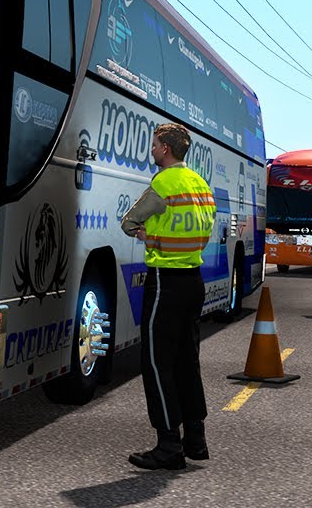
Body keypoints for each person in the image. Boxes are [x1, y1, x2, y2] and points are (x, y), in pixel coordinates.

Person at [120, 123, 216, 470]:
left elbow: (130, 222)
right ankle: (195, 438)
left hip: (164, 281)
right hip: (193, 279)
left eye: (155, 145)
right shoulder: (200, 184)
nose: (153, 150)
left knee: (158, 362)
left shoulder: (164, 183)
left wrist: (147, 233)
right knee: (187, 361)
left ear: (166, 150)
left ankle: (168, 445)